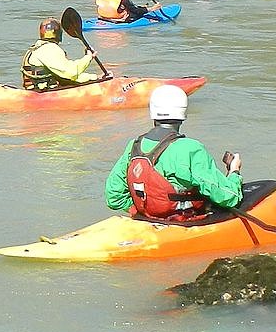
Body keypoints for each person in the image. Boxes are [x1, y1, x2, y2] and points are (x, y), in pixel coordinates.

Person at [105, 85, 243, 223]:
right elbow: (229, 197)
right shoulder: (190, 148)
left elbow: (114, 198)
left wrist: (146, 210)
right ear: (183, 114)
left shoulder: (133, 146)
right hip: (184, 221)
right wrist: (234, 172)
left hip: (147, 218)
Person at [21, 18, 103, 91]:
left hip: (36, 90)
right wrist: (88, 57)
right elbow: (71, 72)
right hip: (44, 93)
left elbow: (65, 74)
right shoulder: (50, 49)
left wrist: (95, 77)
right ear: (59, 34)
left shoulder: (36, 47)